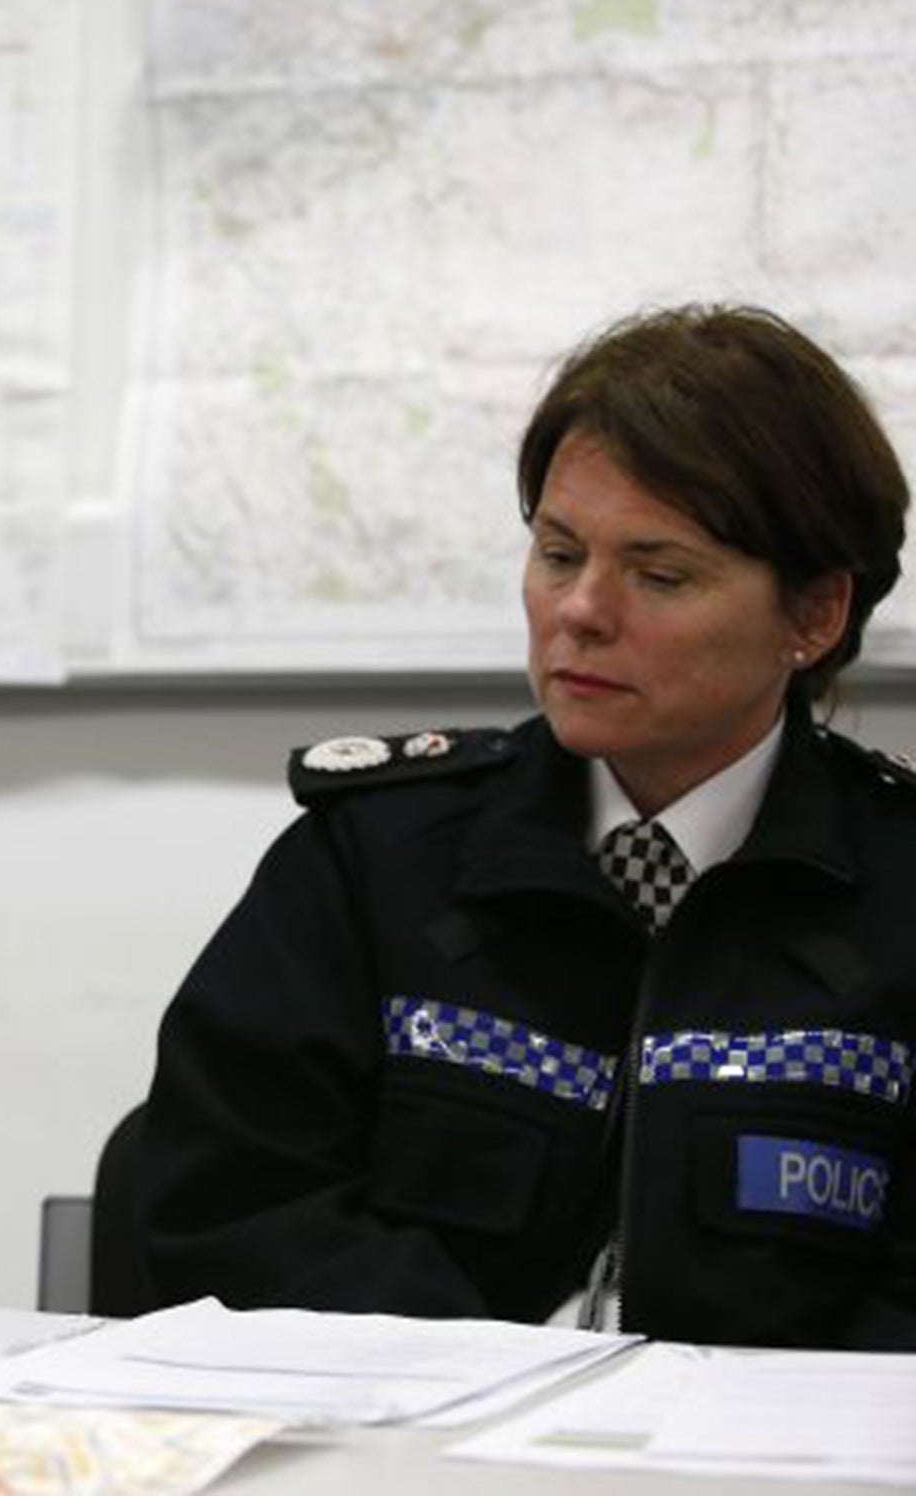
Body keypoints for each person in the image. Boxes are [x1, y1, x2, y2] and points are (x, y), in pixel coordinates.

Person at [139, 303, 916, 1349]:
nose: (580, 611)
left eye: (657, 574)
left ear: (813, 615)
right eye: (558, 554)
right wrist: (499, 1377)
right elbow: (220, 1214)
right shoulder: (376, 856)